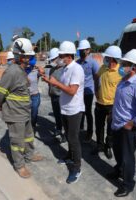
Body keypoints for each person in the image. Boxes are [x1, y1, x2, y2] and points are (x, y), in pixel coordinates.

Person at [0, 38, 43, 179]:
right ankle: (19, 165)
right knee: (17, 142)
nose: (31, 58)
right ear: (20, 56)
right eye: (28, 56)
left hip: (24, 111)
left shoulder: (22, 70)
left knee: (28, 137)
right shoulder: (12, 72)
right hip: (15, 113)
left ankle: (29, 155)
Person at [108, 49, 136, 197]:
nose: (121, 66)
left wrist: (133, 123)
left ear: (133, 66)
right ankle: (119, 170)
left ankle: (127, 184)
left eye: (125, 63)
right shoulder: (123, 80)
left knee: (128, 157)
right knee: (118, 151)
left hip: (128, 128)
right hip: (117, 123)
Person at [42, 41, 85, 184]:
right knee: (68, 135)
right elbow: (62, 86)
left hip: (74, 110)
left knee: (73, 138)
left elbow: (72, 91)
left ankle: (77, 167)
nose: (59, 58)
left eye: (61, 55)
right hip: (65, 108)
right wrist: (49, 81)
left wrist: (56, 83)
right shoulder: (66, 68)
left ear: (69, 55)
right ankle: (69, 156)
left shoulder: (76, 69)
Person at [92, 46, 122, 157]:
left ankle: (108, 147)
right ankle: (99, 145)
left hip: (112, 106)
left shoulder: (121, 71)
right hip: (100, 104)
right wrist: (96, 89)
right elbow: (96, 77)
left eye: (108, 57)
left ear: (113, 58)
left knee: (110, 129)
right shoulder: (103, 68)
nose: (106, 59)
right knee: (99, 127)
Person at [76, 39, 100, 143]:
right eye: (80, 50)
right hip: (78, 92)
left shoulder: (93, 63)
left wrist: (97, 90)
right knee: (79, 111)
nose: (81, 52)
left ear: (88, 50)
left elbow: (97, 77)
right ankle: (80, 129)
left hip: (88, 92)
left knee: (88, 112)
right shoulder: (77, 63)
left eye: (83, 50)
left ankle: (89, 133)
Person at [46, 48, 66, 143]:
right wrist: (49, 90)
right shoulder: (52, 70)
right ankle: (58, 130)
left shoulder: (64, 70)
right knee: (57, 115)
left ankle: (65, 134)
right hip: (53, 96)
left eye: (54, 59)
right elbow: (50, 82)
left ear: (59, 58)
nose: (53, 61)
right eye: (52, 59)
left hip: (61, 97)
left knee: (63, 117)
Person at [26, 56, 41, 132]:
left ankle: (33, 126)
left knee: (34, 113)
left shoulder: (36, 71)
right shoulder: (24, 71)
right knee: (27, 113)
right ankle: (28, 127)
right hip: (27, 95)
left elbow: (43, 73)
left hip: (35, 95)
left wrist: (38, 67)